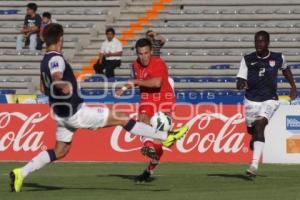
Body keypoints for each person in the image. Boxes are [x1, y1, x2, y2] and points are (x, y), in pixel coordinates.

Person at [9, 24, 188, 192]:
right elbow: (56, 77)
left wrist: (56, 87)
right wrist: (62, 85)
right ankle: (166, 136)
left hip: (60, 115)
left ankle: (21, 173)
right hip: (76, 113)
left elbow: (42, 87)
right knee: (122, 118)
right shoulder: (56, 58)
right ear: (60, 39)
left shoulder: (44, 60)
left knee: (60, 151)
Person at [236, 30, 297, 177]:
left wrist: (293, 86)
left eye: (262, 41)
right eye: (256, 41)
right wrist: (241, 84)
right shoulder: (247, 59)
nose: (259, 44)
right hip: (251, 100)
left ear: (267, 42)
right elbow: (239, 81)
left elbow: (285, 70)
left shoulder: (278, 57)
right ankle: (254, 137)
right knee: (252, 130)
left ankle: (254, 164)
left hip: (270, 99)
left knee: (260, 124)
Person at [116, 38, 176, 183]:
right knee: (142, 119)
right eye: (140, 53)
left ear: (151, 52)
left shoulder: (159, 63)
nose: (143, 56)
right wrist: (124, 88)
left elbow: (157, 83)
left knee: (158, 143)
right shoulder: (135, 65)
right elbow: (134, 80)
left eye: (146, 53)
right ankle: (148, 146)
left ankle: (149, 169)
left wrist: (135, 82)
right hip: (147, 99)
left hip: (164, 99)